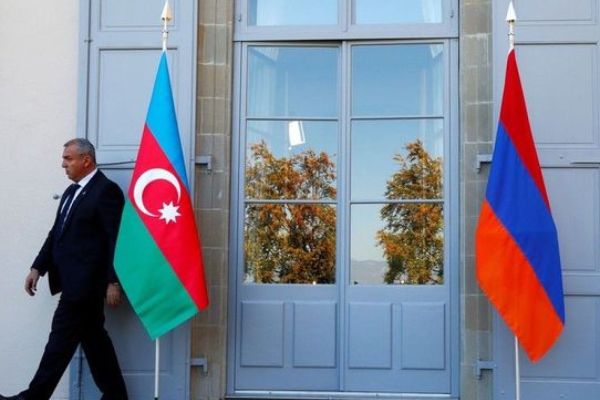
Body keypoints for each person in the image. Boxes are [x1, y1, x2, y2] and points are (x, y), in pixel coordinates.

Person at [1, 138, 128, 400]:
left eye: (68, 159)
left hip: (86, 285)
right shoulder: (71, 192)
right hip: (71, 282)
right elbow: (56, 233)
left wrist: (113, 281)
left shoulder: (106, 191)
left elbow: (115, 239)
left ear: (86, 160)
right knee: (95, 343)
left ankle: (32, 397)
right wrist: (38, 267)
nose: (63, 164)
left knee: (59, 342)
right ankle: (117, 396)